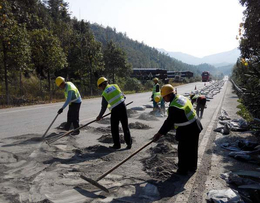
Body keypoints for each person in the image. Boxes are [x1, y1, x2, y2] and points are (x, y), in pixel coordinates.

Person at [153, 84, 203, 175]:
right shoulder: (180, 98)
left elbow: (169, 122)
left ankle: (182, 170)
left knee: (183, 150)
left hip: (187, 129)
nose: (164, 99)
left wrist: (159, 134)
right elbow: (178, 117)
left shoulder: (174, 107)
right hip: (195, 125)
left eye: (164, 97)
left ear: (169, 95)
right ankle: (192, 167)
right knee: (192, 148)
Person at [96, 77, 132, 150]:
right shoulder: (115, 86)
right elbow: (124, 96)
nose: (101, 89)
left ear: (102, 85)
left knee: (114, 128)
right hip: (123, 106)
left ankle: (117, 145)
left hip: (115, 110)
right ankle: (129, 144)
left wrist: (99, 116)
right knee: (125, 126)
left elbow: (104, 107)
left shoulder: (105, 93)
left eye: (100, 87)